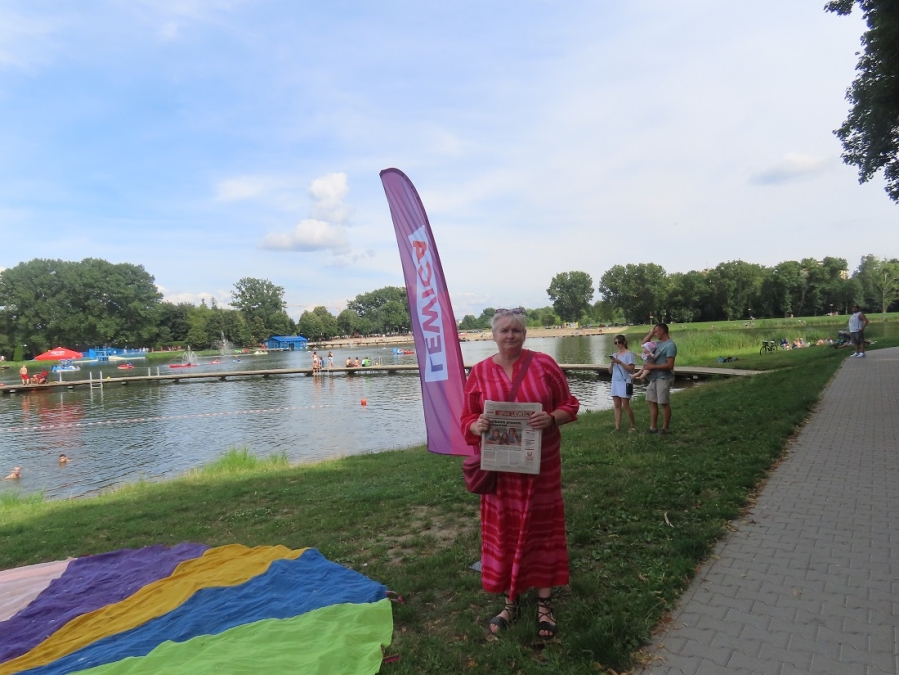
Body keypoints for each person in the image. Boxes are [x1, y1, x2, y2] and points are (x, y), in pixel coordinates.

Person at [460, 308, 579, 639]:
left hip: (542, 466)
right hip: (502, 471)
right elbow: (466, 417)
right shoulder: (480, 372)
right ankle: (510, 601)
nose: (510, 335)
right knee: (506, 531)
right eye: (504, 330)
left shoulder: (544, 365)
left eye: (516, 330)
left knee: (543, 530)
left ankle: (544, 604)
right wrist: (476, 425)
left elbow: (570, 404)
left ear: (525, 334)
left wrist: (551, 418)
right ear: (493, 335)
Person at [640, 323, 677, 435]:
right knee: (652, 402)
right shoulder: (658, 344)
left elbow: (669, 365)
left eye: (656, 332)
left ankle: (665, 429)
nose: (655, 334)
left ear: (662, 331)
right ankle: (653, 428)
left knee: (664, 403)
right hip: (654, 378)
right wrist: (651, 332)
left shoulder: (670, 346)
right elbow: (643, 343)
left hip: (663, 378)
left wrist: (652, 367)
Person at [608, 334, 637, 432]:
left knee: (625, 405)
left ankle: (633, 425)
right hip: (615, 381)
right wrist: (612, 363)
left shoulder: (629, 354)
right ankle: (617, 427)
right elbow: (610, 371)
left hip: (625, 381)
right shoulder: (615, 355)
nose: (618, 344)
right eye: (615, 343)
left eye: (619, 342)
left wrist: (620, 362)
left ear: (624, 342)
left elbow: (631, 369)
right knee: (617, 405)